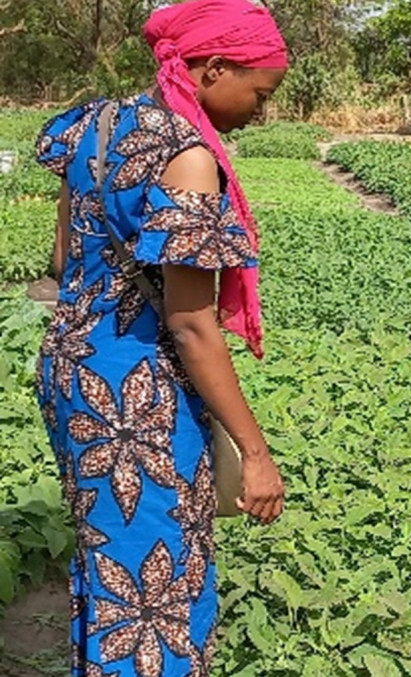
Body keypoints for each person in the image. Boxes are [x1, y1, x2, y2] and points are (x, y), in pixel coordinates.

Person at [34, 1, 288, 674]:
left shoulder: (94, 123)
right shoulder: (188, 156)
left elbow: (63, 261)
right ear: (212, 69)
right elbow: (190, 322)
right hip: (136, 397)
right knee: (157, 583)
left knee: (107, 556)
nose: (259, 110)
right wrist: (256, 453)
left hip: (71, 369)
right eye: (258, 94)